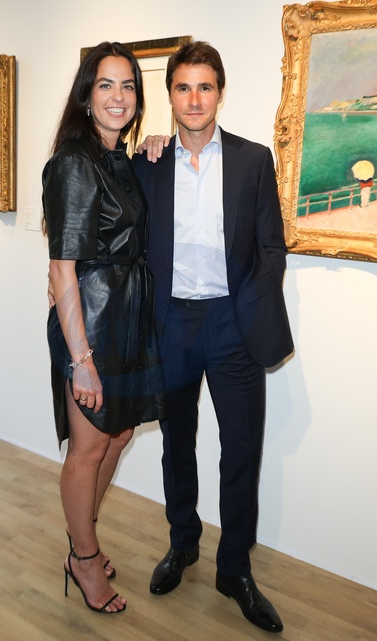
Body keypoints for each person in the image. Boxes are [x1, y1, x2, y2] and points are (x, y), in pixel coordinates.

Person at [133, 41, 293, 633]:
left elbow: (272, 246)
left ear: (220, 93)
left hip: (232, 326)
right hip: (172, 323)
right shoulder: (148, 163)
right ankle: (183, 543)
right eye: (183, 87)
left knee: (242, 449)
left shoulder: (253, 160)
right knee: (177, 443)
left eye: (205, 87)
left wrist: (249, 305)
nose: (194, 99)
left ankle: (235, 569)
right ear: (170, 95)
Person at [42, 41, 166, 614]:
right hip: (91, 321)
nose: (119, 96)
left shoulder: (117, 156)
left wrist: (155, 145)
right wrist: (81, 359)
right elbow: (61, 268)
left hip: (128, 317)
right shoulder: (74, 161)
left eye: (128, 86)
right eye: (106, 85)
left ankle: (81, 537)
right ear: (86, 95)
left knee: (117, 435)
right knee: (89, 448)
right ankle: (85, 559)